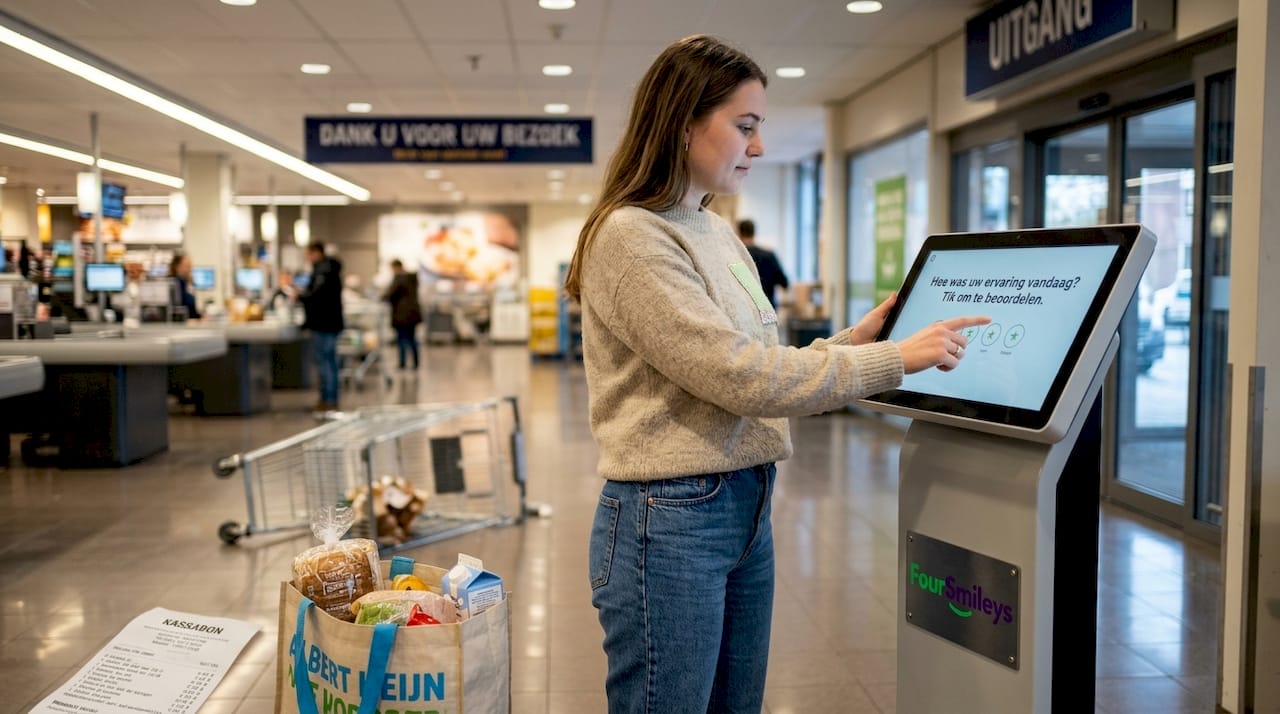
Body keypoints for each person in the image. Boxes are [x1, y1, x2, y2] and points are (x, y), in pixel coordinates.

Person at [562, 35, 989, 714]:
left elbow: (755, 357)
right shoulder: (632, 237)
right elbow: (741, 378)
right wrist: (895, 359)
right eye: (745, 126)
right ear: (682, 123)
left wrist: (856, 339)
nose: (758, 147)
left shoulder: (713, 229)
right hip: (670, 519)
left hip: (746, 501)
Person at [298, 242, 344, 412]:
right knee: (330, 362)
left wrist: (301, 297)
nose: (307, 258)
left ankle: (328, 400)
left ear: (316, 253)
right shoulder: (331, 270)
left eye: (308, 254)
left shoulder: (323, 272)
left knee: (324, 362)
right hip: (331, 322)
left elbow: (316, 296)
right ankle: (330, 399)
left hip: (323, 323)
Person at [736, 218, 789, 307]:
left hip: (745, 308)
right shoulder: (769, 255)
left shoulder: (735, 256)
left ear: (739, 233)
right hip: (767, 307)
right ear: (754, 233)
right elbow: (784, 283)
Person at [382, 259, 423, 370]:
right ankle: (416, 363)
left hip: (401, 315)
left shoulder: (399, 278)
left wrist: (382, 297)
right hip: (413, 314)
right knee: (412, 338)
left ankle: (402, 363)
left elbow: (390, 294)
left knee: (402, 339)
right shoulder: (412, 278)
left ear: (396, 267)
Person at [169, 253, 201, 320]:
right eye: (186, 266)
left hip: (189, 320)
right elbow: (186, 304)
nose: (190, 269)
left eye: (190, 266)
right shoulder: (175, 283)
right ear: (177, 267)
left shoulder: (187, 282)